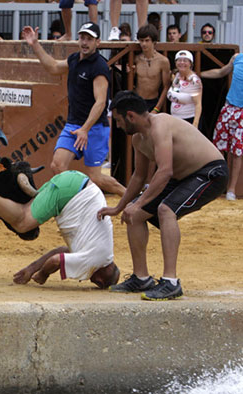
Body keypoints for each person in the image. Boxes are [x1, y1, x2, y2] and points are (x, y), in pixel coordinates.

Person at [98, 91, 228, 301]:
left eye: (119, 121)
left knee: (165, 210)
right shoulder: (138, 140)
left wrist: (139, 202)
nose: (119, 126)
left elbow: (165, 170)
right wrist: (120, 207)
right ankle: (141, 277)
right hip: (183, 177)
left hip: (210, 173)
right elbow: (139, 176)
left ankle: (171, 282)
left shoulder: (161, 125)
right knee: (135, 213)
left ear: (131, 116)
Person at [0, 170, 119, 289]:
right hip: (72, 192)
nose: (91, 281)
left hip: (73, 185)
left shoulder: (100, 252)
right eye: (96, 283)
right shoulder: (95, 261)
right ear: (101, 280)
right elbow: (55, 261)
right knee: (23, 222)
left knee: (19, 215)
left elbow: (62, 251)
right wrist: (42, 275)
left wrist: (31, 269)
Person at [22, 23, 125, 197]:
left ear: (97, 42)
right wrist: (35, 45)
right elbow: (53, 67)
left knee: (96, 177)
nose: (84, 42)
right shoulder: (75, 59)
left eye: (89, 39)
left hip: (94, 128)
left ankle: (130, 197)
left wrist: (85, 129)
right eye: (82, 38)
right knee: (57, 165)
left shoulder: (99, 66)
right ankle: (73, 203)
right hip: (73, 125)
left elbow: (101, 103)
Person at [201, 52, 243, 201]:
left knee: (237, 150)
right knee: (219, 147)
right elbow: (221, 72)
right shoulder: (237, 57)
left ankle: (231, 190)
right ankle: (219, 186)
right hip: (229, 107)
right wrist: (199, 73)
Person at [134, 24, 170, 114]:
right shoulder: (136, 59)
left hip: (153, 101)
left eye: (147, 40)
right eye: (141, 41)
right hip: (138, 101)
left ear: (154, 41)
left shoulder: (163, 61)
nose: (143, 44)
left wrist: (157, 108)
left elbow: (166, 86)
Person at [167, 50, 202, 128]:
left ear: (190, 64)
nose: (182, 63)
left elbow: (198, 104)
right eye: (179, 60)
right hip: (175, 119)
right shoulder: (176, 76)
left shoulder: (194, 80)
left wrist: (195, 124)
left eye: (185, 61)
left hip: (189, 120)